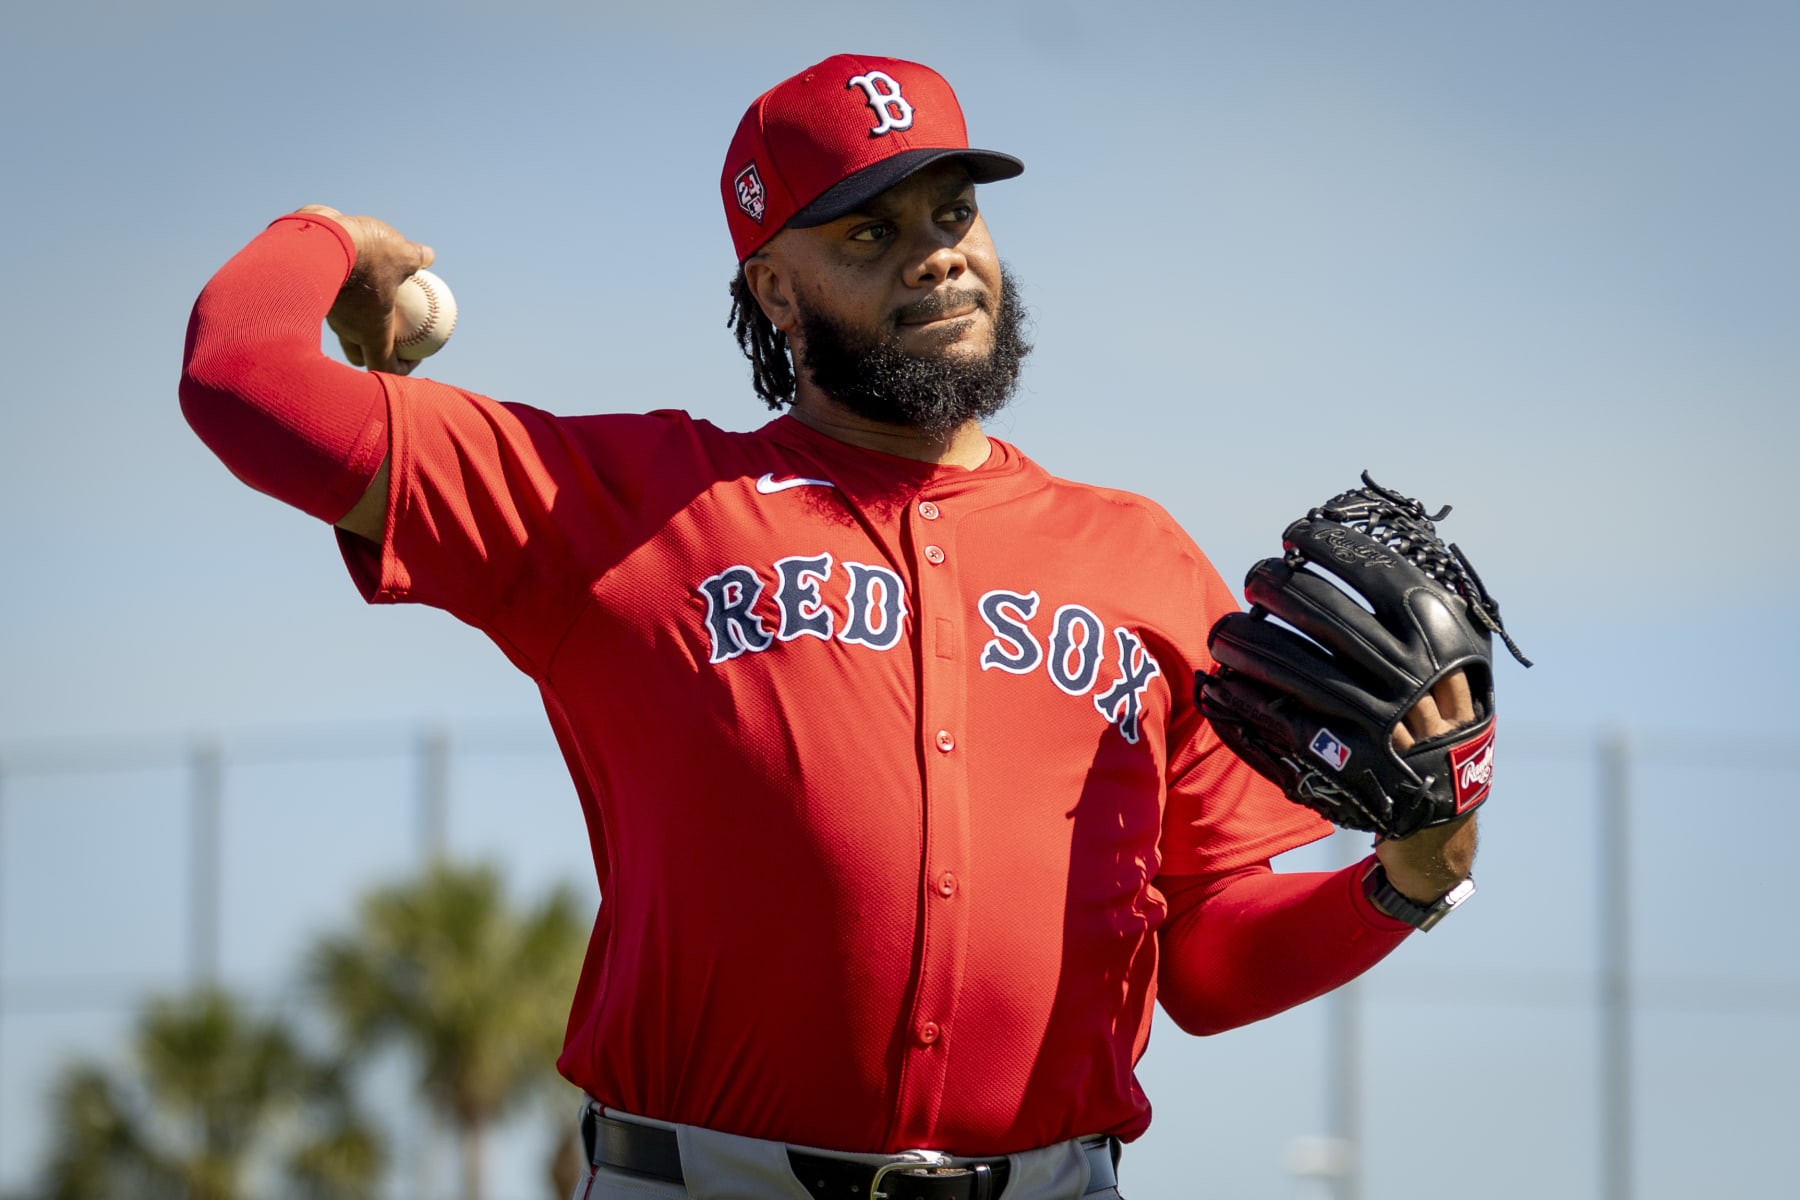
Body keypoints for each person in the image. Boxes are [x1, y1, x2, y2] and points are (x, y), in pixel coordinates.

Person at [180, 53, 1482, 1200]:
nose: (937, 252)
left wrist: (1406, 883)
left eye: (954, 211)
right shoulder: (617, 506)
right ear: (775, 291)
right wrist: (328, 241)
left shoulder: (1140, 559)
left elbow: (1205, 961)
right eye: (868, 231)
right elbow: (243, 381)